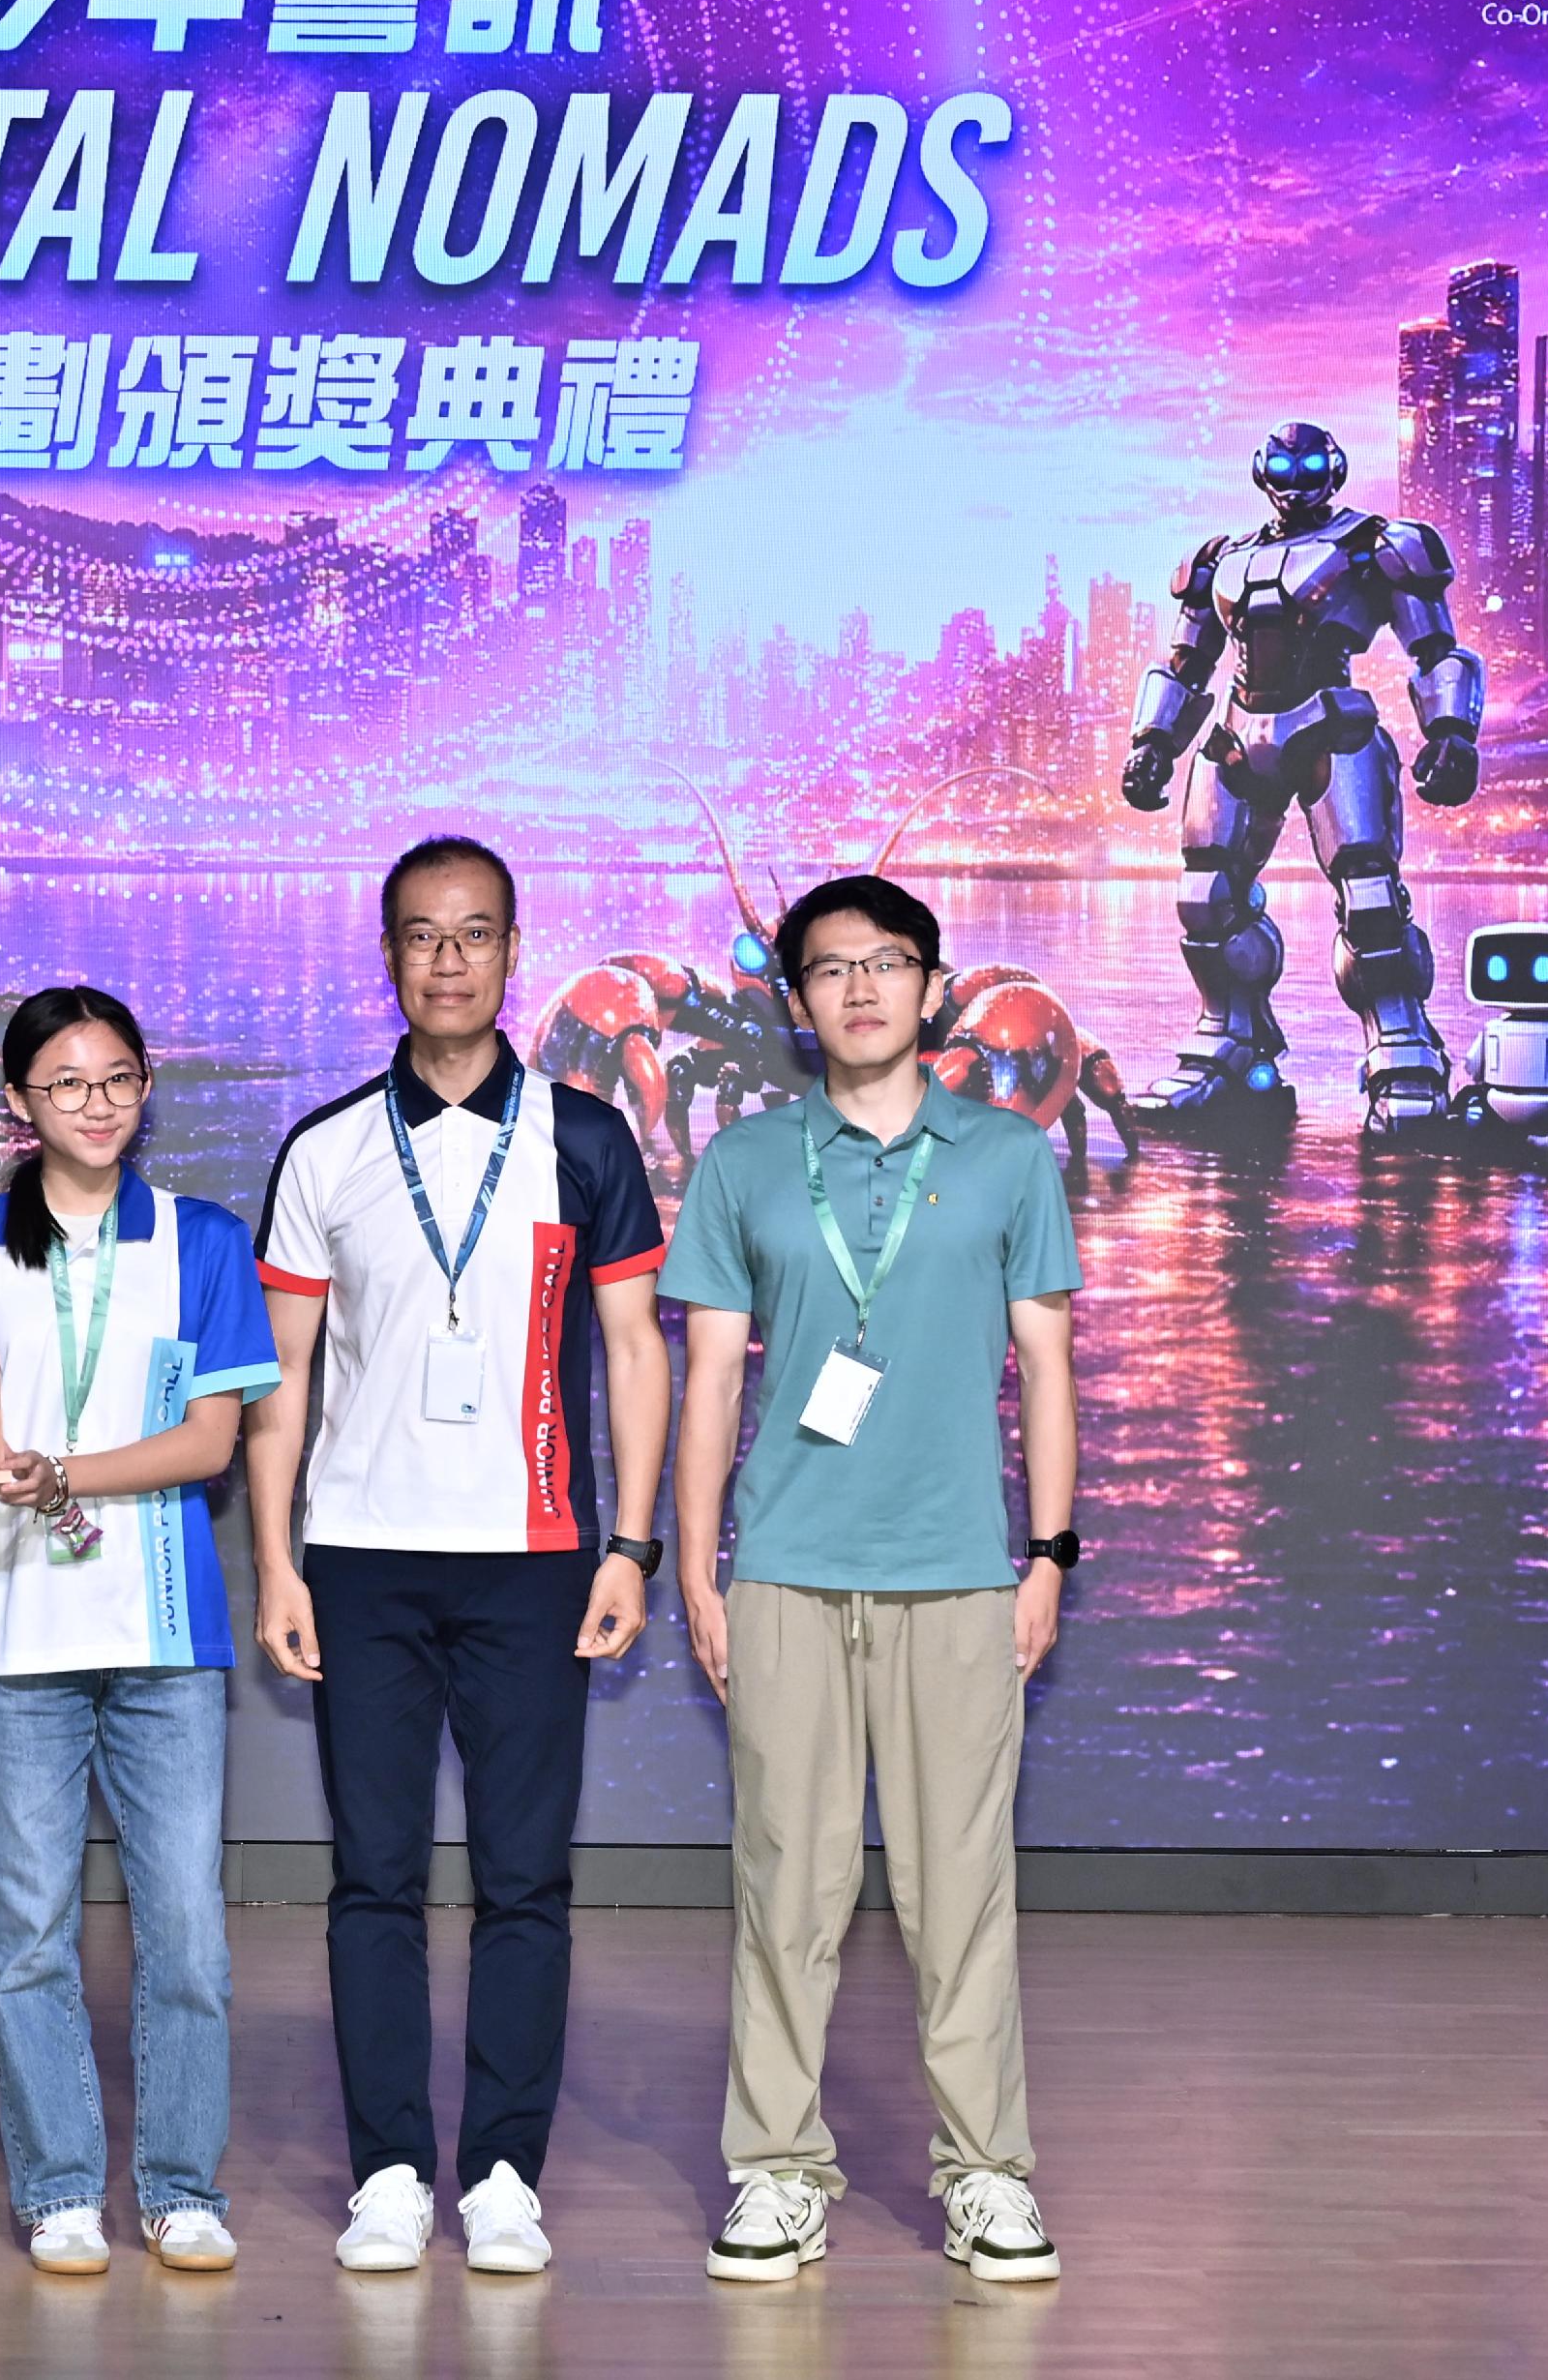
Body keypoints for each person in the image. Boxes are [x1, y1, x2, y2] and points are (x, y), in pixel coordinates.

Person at [241, 835, 672, 2278]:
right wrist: (278, 1564)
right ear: (390, 954)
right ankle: (384, 2169)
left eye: (474, 933)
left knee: (523, 1877)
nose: (447, 958)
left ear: (510, 951)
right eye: (421, 935)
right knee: (372, 1875)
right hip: (361, 1559)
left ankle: (501, 2168)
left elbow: (632, 1349)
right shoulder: (327, 1148)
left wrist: (633, 1545)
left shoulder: (588, 1137)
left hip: (536, 1557)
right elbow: (284, 1380)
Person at [657, 873, 1081, 2287]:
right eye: (830, 968)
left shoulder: (1012, 1157)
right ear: (795, 999)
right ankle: (778, 2170)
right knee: (789, 1887)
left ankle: (988, 2176)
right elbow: (708, 1375)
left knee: (964, 1894)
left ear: (933, 984)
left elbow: (1048, 1366)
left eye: (887, 963)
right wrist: (700, 1565)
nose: (859, 989)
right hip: (783, 1570)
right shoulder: (746, 1165)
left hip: (962, 1574)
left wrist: (1050, 1553)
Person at [0, 987, 281, 2278]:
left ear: (145, 1088)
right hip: (9, 1637)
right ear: (18, 1100)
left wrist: (60, 1465)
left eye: (116, 1078)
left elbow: (209, 1439)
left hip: (163, 1632)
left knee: (186, 1926)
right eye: (64, 1083)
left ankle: (182, 2185)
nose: (94, 1103)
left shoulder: (202, 1239)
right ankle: (60, 2184)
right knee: (31, 1928)